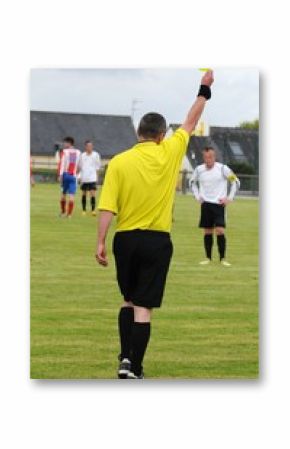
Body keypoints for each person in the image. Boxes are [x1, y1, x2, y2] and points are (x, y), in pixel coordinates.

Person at [95, 70, 214, 379]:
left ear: (139, 133)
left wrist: (100, 243)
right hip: (157, 241)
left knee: (128, 300)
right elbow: (190, 120)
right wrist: (204, 88)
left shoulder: (119, 162)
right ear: (162, 135)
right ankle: (135, 366)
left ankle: (124, 358)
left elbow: (107, 207)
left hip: (125, 239)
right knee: (144, 307)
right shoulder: (171, 151)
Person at [190, 147, 240, 266]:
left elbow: (236, 182)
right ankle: (208, 258)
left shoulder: (223, 169)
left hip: (219, 205)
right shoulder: (199, 170)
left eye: (211, 157)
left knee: (220, 230)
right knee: (207, 232)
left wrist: (229, 198)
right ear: (203, 158)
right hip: (205, 204)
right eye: (206, 157)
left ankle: (222, 258)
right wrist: (198, 196)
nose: (208, 159)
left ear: (214, 157)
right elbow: (192, 183)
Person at [59, 137, 81, 218]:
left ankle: (63, 212)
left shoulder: (65, 152)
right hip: (73, 176)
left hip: (66, 174)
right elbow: (79, 165)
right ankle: (69, 214)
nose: (64, 144)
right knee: (72, 195)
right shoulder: (78, 152)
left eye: (65, 143)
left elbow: (63, 164)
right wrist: (77, 174)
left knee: (63, 193)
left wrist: (60, 175)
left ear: (69, 143)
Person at [79, 140, 101, 216]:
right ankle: (84, 210)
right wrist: (80, 177)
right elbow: (80, 167)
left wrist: (97, 178)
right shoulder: (82, 155)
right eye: (88, 146)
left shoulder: (96, 155)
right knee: (84, 194)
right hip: (84, 178)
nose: (90, 147)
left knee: (92, 194)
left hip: (92, 178)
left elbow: (98, 167)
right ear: (85, 147)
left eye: (91, 146)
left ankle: (93, 210)